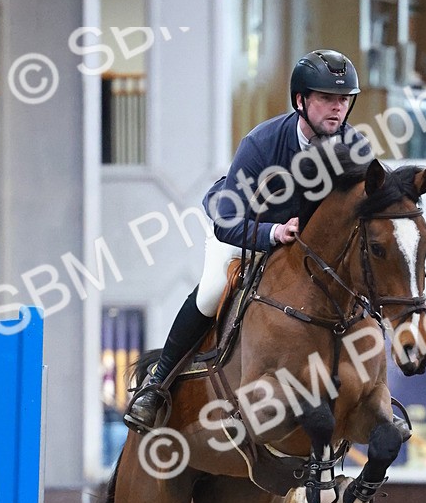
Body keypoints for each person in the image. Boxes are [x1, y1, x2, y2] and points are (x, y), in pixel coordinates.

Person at [124, 49, 374, 433]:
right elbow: (226, 221)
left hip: (305, 252)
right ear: (300, 101)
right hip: (247, 232)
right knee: (211, 291)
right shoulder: (261, 144)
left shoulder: (354, 147)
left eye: (343, 99)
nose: (336, 109)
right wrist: (272, 233)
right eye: (326, 99)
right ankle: (156, 385)